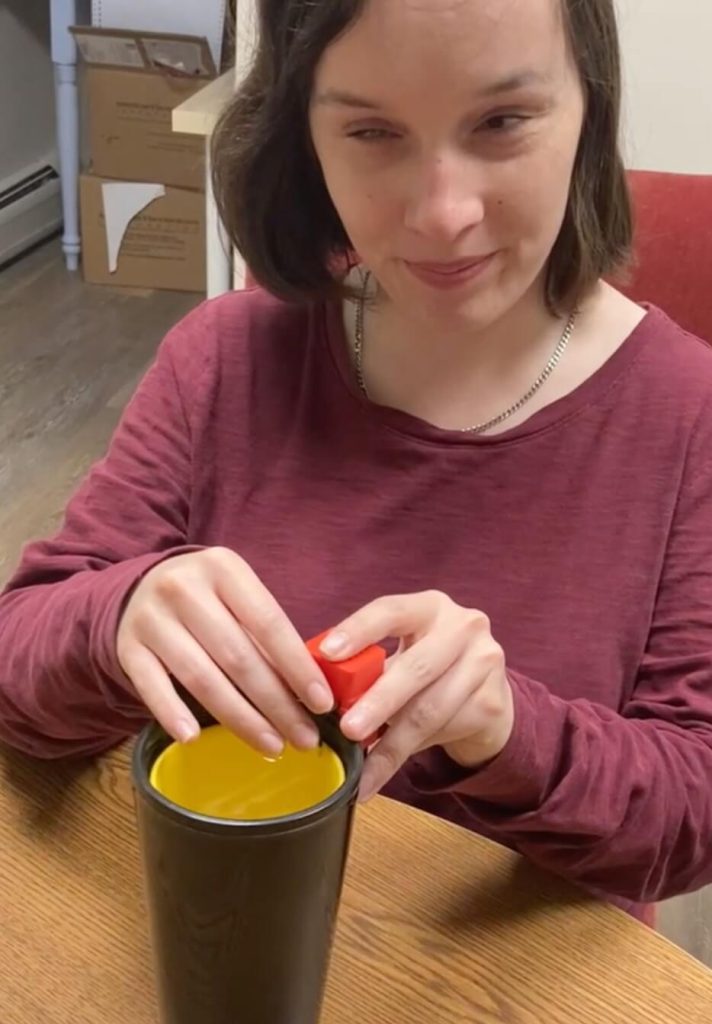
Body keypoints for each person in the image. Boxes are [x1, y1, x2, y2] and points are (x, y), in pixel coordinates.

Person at [2, 0, 712, 925]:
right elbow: (18, 664)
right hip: (235, 928)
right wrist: (117, 615)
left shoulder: (689, 415)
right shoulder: (223, 358)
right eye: (373, 133)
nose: (443, 214)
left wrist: (510, 731)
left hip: (522, 969)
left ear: (592, 108)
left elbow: (691, 818)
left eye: (501, 121)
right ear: (304, 135)